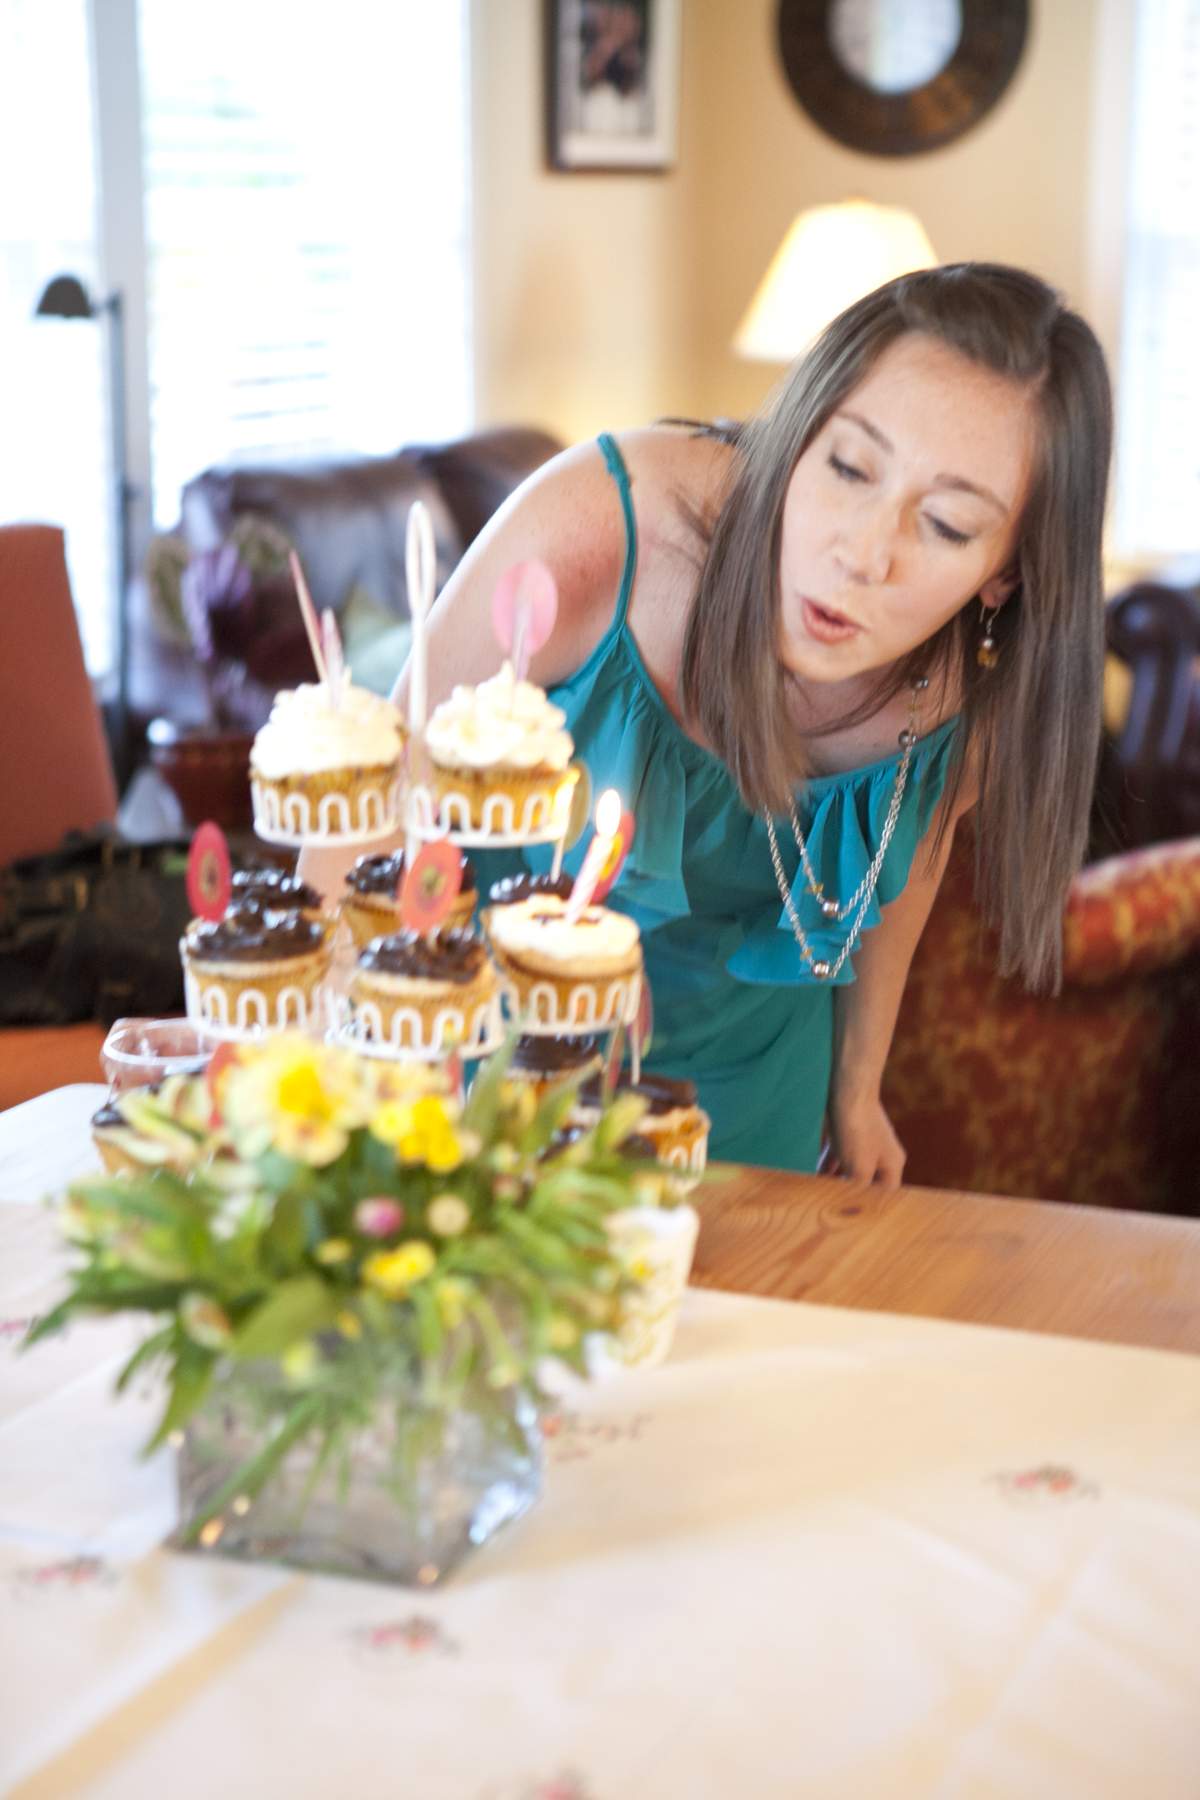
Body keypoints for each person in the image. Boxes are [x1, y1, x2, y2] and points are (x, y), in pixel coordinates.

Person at [330, 263, 1111, 1184]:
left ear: (1005, 574)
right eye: (849, 467)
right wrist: (318, 1065)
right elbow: (369, 793)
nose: (862, 555)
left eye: (943, 524)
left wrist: (858, 1089)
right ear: (798, 434)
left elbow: (900, 865)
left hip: (747, 1098)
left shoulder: (974, 695)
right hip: (482, 1056)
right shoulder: (608, 525)